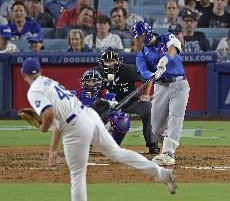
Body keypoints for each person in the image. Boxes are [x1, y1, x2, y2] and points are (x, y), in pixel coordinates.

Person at [21, 57, 177, 201]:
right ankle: (162, 173)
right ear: (40, 72)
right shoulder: (50, 82)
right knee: (117, 153)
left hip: (75, 127)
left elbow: (49, 114)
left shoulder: (34, 91)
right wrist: (53, 150)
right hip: (89, 116)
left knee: (77, 177)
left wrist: (43, 128)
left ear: (23, 74)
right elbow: (57, 121)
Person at [132, 21, 190, 165]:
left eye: (139, 36)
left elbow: (174, 47)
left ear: (147, 33)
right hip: (161, 86)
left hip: (179, 85)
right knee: (156, 128)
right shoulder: (141, 55)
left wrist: (165, 60)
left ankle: (169, 153)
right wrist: (152, 74)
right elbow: (143, 71)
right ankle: (167, 147)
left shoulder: (166, 37)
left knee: (176, 117)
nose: (137, 39)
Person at [93, 48, 159, 154]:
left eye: (112, 60)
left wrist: (146, 94)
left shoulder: (129, 69)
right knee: (90, 111)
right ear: (102, 62)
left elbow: (148, 78)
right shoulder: (96, 73)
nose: (110, 64)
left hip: (129, 101)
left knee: (147, 108)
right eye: (107, 61)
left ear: (119, 61)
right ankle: (88, 143)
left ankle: (152, 144)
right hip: (107, 104)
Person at [76, 69, 130, 145]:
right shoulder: (76, 95)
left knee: (123, 118)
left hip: (102, 127)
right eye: (88, 81)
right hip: (82, 128)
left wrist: (109, 109)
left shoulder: (106, 95)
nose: (91, 84)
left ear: (100, 82)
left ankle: (113, 146)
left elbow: (117, 111)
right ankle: (82, 144)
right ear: (83, 82)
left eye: (94, 81)